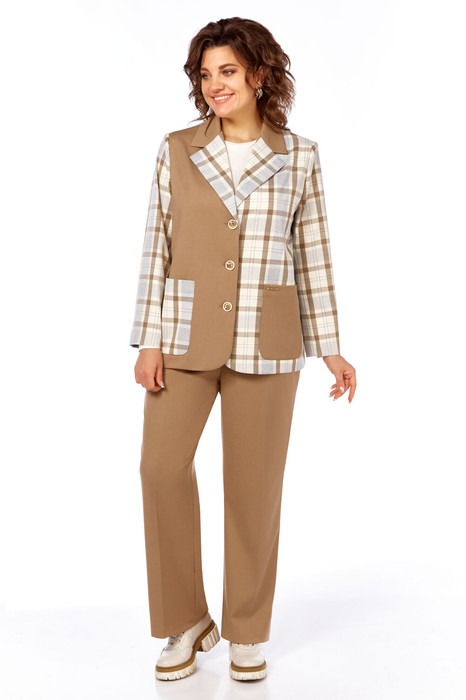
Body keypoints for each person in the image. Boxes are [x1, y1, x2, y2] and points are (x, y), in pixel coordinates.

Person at [129, 16, 357, 683]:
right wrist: (148, 338)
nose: (215, 85)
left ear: (260, 74)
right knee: (160, 468)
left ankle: (248, 630)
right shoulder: (177, 149)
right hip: (184, 334)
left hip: (270, 337)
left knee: (254, 488)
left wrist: (331, 347)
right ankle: (185, 620)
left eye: (227, 71)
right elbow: (156, 246)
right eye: (205, 74)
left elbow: (313, 253)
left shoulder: (300, 156)